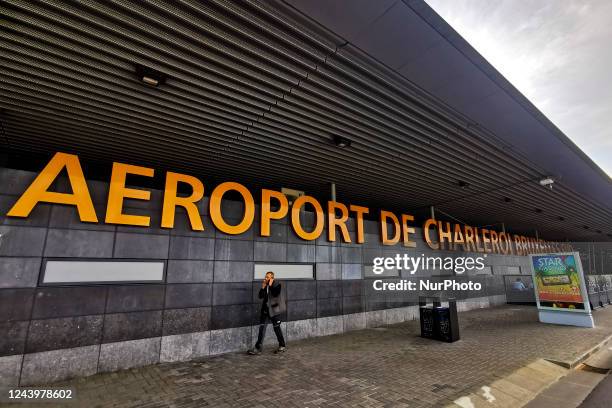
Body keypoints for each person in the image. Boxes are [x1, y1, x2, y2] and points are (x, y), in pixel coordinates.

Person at [248, 271, 286, 355]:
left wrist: (271, 285)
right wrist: (262, 287)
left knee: (277, 328)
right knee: (261, 328)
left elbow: (276, 294)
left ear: (272, 278)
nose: (266, 278)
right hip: (265, 311)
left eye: (268, 277)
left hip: (274, 311)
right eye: (265, 277)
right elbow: (260, 296)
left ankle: (282, 346)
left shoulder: (277, 285)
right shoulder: (265, 286)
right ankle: (258, 348)